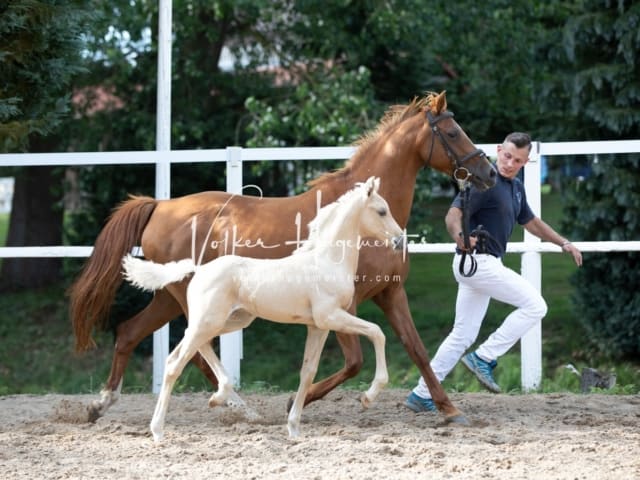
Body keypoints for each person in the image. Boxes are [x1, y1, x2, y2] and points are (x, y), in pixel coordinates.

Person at [405, 132, 583, 412]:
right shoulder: (482, 181)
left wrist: (563, 242)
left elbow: (532, 222)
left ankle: (421, 393)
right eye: (507, 155)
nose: (509, 163)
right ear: (499, 150)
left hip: (483, 266)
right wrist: (460, 236)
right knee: (535, 305)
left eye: (517, 160)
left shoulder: (516, 188)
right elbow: (452, 216)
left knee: (462, 335)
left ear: (525, 162)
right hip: (477, 262)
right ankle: (484, 357)